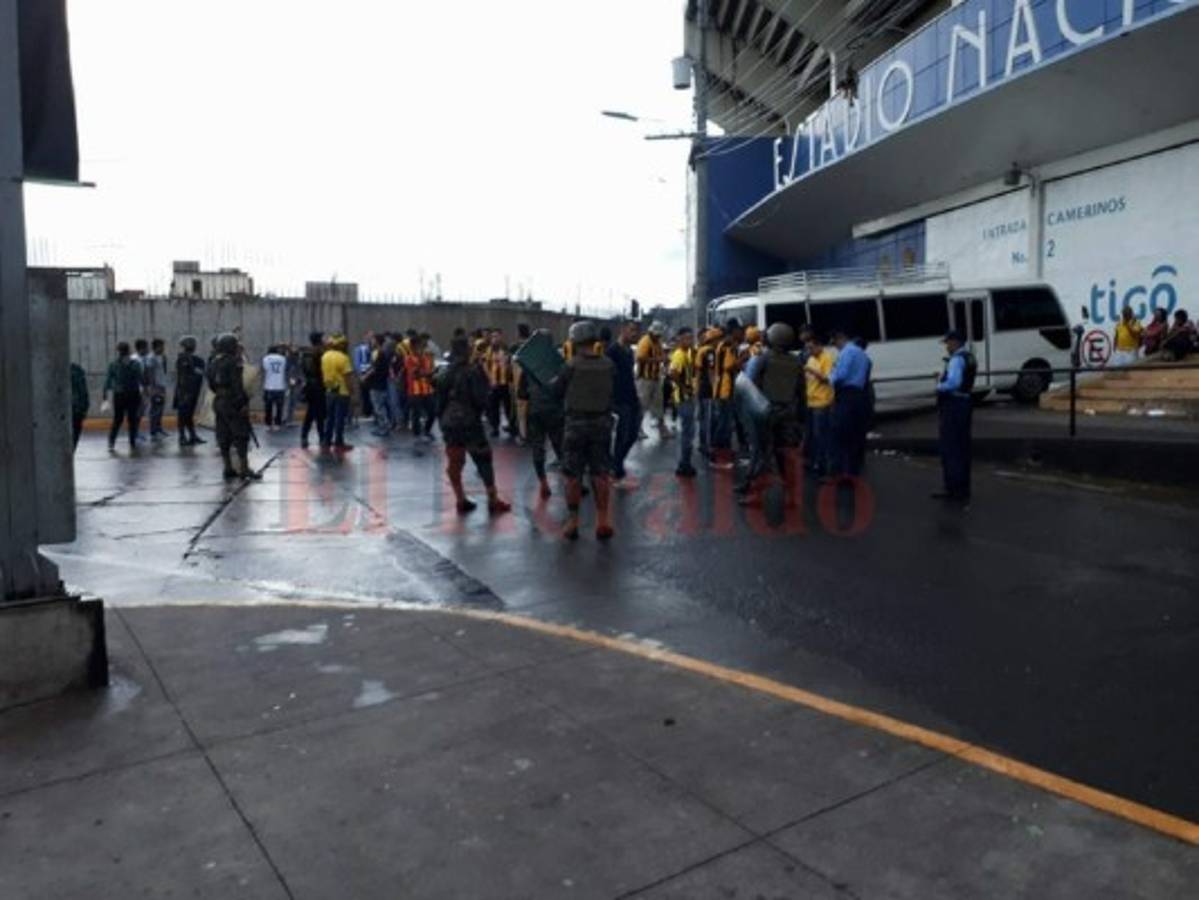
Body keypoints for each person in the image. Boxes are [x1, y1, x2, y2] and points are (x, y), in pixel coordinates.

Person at [553, 321, 615, 540]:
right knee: (600, 474)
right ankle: (603, 521)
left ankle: (573, 522)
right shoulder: (608, 364)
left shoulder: (570, 366)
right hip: (602, 424)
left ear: (575, 341)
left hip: (575, 425)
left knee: (572, 475)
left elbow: (557, 391)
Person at [436, 336, 511, 515]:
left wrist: (443, 419)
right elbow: (481, 400)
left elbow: (438, 403)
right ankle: (493, 500)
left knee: (455, 462)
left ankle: (460, 499)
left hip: (450, 424)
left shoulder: (444, 373)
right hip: (470, 423)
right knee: (484, 460)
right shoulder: (473, 371)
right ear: (467, 351)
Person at [738, 323, 804, 503]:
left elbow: (750, 385)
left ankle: (756, 495)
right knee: (786, 456)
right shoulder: (796, 361)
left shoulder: (763, 359)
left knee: (762, 454)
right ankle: (790, 495)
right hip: (788, 414)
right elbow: (801, 391)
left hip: (766, 413)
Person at [206, 333, 261, 481]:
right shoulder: (234, 362)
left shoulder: (213, 362)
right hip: (232, 401)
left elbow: (210, 384)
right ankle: (244, 468)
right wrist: (242, 403)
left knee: (223, 435)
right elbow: (237, 385)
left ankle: (228, 467)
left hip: (218, 400)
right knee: (241, 435)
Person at [519, 330, 566, 499]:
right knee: (561, 447)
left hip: (535, 411)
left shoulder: (528, 366)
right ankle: (571, 482)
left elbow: (522, 394)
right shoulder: (558, 364)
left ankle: (543, 483)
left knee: (538, 448)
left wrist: (522, 422)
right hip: (554, 411)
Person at [934, 330, 977, 505]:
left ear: (956, 342)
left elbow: (954, 382)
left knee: (951, 447)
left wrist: (939, 385)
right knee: (962, 447)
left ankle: (954, 488)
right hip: (965, 403)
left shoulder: (956, 360)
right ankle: (962, 487)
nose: (947, 346)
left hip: (954, 405)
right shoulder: (969, 357)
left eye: (948, 343)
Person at [828, 328, 872, 479]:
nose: (835, 347)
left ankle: (841, 471)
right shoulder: (863, 355)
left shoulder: (847, 352)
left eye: (835, 343)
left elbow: (841, 375)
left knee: (841, 434)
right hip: (859, 395)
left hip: (846, 395)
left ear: (840, 338)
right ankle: (853, 470)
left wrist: (830, 377)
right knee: (855, 434)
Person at [607, 320, 641, 481]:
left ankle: (616, 462)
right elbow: (607, 376)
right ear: (623, 330)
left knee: (633, 434)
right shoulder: (613, 351)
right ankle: (616, 469)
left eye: (636, 331)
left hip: (631, 397)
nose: (635, 334)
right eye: (632, 330)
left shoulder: (629, 351)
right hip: (619, 399)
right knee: (623, 435)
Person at [803, 332, 837, 477]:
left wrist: (812, 371)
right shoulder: (811, 358)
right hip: (811, 401)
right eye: (807, 349)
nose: (809, 351)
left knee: (822, 435)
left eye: (811, 348)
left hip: (822, 402)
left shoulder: (826, 358)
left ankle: (826, 467)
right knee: (813, 436)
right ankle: (816, 463)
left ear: (819, 346)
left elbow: (827, 379)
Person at [711, 319, 744, 466]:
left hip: (725, 388)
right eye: (739, 330)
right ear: (733, 331)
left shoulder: (727, 345)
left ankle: (722, 453)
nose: (741, 332)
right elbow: (729, 367)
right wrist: (744, 358)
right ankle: (719, 456)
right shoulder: (727, 346)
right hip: (725, 389)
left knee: (725, 423)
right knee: (724, 424)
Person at [669, 327, 698, 478]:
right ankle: (684, 464)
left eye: (690, 338)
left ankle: (685, 463)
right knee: (688, 432)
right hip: (684, 398)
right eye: (686, 338)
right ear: (680, 339)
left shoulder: (686, 353)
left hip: (687, 397)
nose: (689, 341)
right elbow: (673, 373)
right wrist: (684, 388)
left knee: (689, 431)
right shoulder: (679, 354)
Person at [103, 342, 143, 451]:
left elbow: (108, 381)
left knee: (118, 419)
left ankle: (111, 442)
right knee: (132, 419)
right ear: (129, 351)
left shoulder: (113, 364)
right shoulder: (135, 363)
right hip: (133, 394)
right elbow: (141, 377)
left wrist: (105, 396)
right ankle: (132, 442)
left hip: (119, 394)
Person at [636, 321, 670, 439]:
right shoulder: (645, 341)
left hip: (655, 377)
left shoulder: (658, 342)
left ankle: (662, 428)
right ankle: (637, 429)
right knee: (642, 405)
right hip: (644, 379)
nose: (658, 336)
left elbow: (662, 356)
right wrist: (658, 359)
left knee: (658, 404)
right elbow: (640, 358)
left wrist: (664, 361)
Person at [321, 334, 355, 452]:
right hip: (342, 391)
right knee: (340, 418)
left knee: (329, 417)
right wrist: (352, 391)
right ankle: (339, 441)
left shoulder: (325, 356)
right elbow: (347, 377)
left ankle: (326, 440)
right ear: (341, 345)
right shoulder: (343, 358)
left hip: (329, 390)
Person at [174, 336, 207, 447]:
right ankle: (182, 436)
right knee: (183, 415)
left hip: (191, 391)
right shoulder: (183, 359)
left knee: (188, 415)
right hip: (184, 391)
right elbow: (183, 377)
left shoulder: (195, 360)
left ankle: (192, 435)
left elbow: (200, 373)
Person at [695, 327, 720, 462]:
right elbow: (710, 372)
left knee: (703, 417)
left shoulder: (701, 350)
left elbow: (698, 371)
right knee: (708, 419)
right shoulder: (710, 352)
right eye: (718, 339)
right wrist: (714, 388)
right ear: (713, 339)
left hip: (701, 388)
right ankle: (706, 446)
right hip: (707, 389)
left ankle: (702, 444)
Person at [405, 333, 437, 440]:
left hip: (427, 390)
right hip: (415, 391)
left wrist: (431, 372)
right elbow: (416, 374)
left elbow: (430, 371)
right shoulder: (409, 359)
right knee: (416, 415)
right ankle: (417, 435)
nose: (422, 347)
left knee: (432, 412)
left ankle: (427, 431)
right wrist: (428, 373)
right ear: (413, 347)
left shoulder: (426, 357)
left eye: (422, 345)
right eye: (420, 345)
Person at [483, 330, 515, 438]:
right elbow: (485, 365)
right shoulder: (489, 350)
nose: (494, 339)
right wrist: (490, 379)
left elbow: (511, 365)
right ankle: (495, 428)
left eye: (496, 336)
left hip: (505, 383)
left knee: (508, 406)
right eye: (493, 337)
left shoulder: (506, 349)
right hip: (494, 383)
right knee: (493, 407)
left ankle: (511, 426)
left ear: (501, 337)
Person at [299, 332, 326, 449]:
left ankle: (304, 436)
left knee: (310, 412)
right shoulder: (320, 353)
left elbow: (303, 369)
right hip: (319, 385)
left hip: (309, 385)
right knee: (320, 413)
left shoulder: (306, 353)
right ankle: (322, 437)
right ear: (319, 340)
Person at [363, 334, 392, 437]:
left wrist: (365, 376)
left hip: (377, 384)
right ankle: (382, 426)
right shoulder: (380, 352)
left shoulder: (379, 353)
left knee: (379, 407)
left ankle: (384, 427)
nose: (371, 342)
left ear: (377, 341)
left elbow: (375, 368)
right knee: (380, 406)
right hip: (380, 383)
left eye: (373, 340)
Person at [144, 338, 170, 440]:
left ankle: (159, 428)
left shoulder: (162, 357)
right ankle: (153, 431)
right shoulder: (151, 358)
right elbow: (150, 373)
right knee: (155, 409)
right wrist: (152, 387)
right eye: (162, 346)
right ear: (157, 347)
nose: (163, 348)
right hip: (156, 387)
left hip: (161, 385)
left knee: (160, 408)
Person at [261, 345, 288, 432]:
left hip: (269, 385)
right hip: (280, 385)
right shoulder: (283, 359)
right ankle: (277, 424)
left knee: (268, 406)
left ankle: (268, 424)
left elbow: (264, 370)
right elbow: (285, 370)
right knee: (279, 407)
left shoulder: (266, 359)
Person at [352, 332, 374, 420]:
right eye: (369, 337)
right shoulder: (359, 349)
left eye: (371, 337)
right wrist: (360, 374)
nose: (370, 339)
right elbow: (357, 363)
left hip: (371, 374)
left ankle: (371, 411)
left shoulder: (373, 349)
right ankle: (367, 411)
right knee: (365, 393)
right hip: (364, 373)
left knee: (371, 393)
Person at [70, 361, 89, 450]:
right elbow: (83, 391)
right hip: (76, 408)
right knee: (75, 434)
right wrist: (85, 408)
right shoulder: (77, 370)